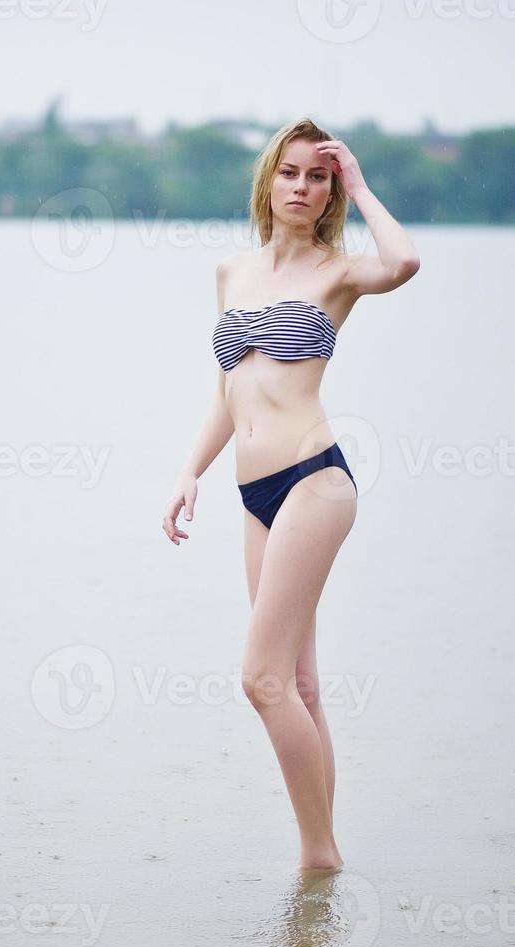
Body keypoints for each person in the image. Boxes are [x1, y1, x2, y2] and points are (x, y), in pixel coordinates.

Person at [161, 116, 421, 871]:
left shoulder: (336, 273)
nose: (301, 187)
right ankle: (322, 869)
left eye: (318, 176)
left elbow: (403, 260)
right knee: (299, 683)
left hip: (313, 481)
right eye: (290, 172)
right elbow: (228, 388)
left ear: (331, 190)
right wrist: (189, 472)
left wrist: (365, 185)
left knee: (261, 678)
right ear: (267, 181)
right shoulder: (229, 273)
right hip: (253, 496)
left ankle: (318, 857)